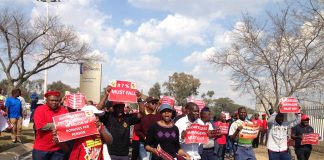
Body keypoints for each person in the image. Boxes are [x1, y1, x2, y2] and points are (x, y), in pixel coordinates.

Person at [97, 84, 143, 160]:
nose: (120, 110)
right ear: (113, 108)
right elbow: (98, 110)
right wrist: (106, 95)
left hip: (124, 154)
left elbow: (141, 113)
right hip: (109, 153)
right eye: (117, 107)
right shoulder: (108, 117)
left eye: (121, 107)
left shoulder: (128, 118)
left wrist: (139, 99)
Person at [32, 90, 68, 160]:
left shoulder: (63, 110)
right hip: (41, 149)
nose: (54, 102)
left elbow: (68, 125)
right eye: (51, 100)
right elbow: (40, 126)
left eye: (56, 100)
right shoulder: (40, 110)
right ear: (47, 100)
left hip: (58, 149)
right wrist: (58, 125)